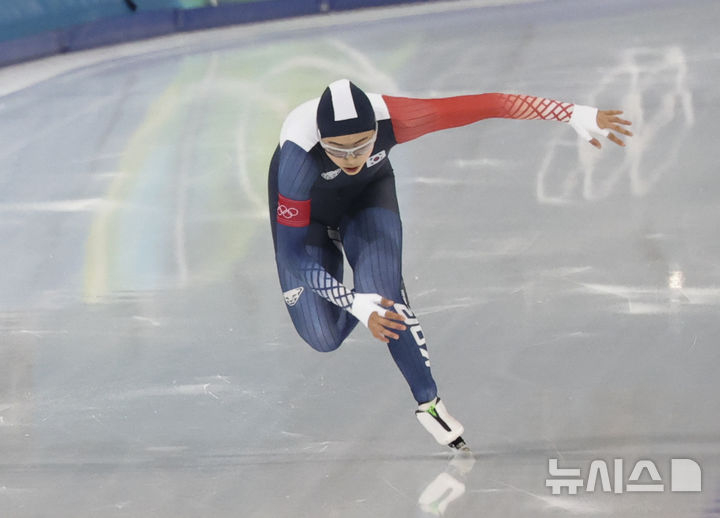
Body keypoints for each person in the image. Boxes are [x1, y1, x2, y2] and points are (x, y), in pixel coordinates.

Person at [267, 79, 632, 450]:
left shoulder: (400, 118)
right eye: (337, 150)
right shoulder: (298, 158)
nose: (351, 159)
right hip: (308, 218)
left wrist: (572, 113)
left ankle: (429, 403)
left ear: (377, 130)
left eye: (363, 145)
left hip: (367, 196)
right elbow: (293, 254)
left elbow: (490, 103)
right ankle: (370, 285)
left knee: (384, 297)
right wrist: (354, 303)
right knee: (324, 337)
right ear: (320, 140)